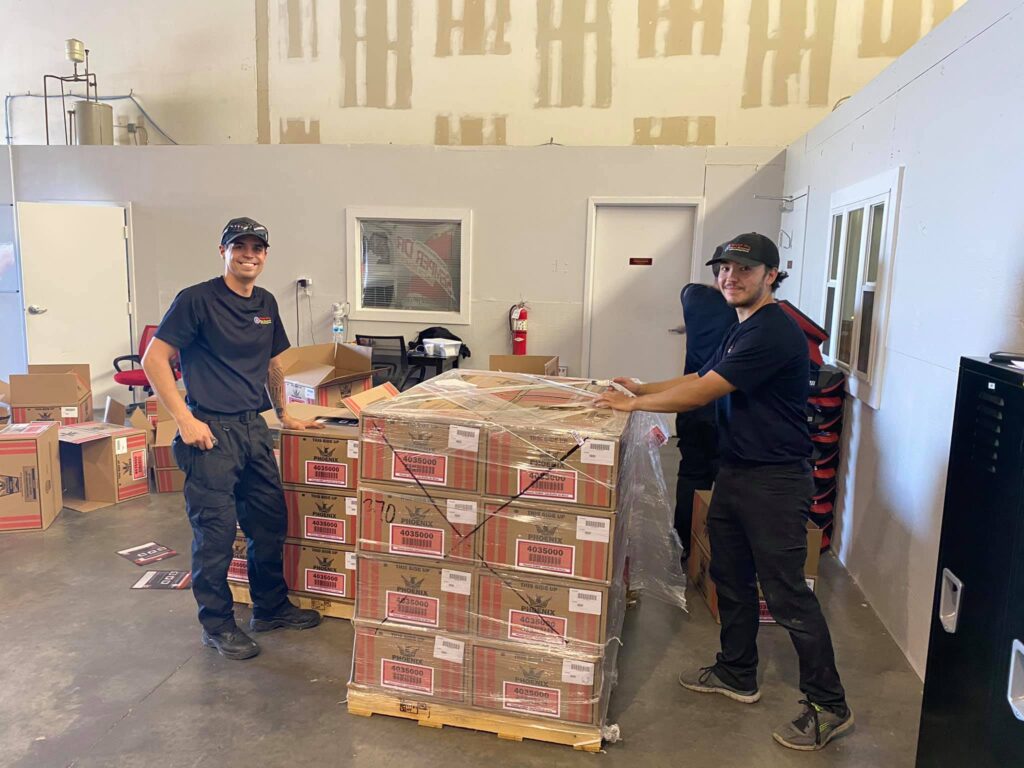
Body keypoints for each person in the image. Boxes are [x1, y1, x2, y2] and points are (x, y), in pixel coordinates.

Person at [595, 233, 852, 751]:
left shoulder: (772, 330)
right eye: (723, 270)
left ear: (771, 275)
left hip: (776, 480)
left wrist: (633, 408)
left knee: (786, 594)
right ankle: (738, 672)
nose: (729, 278)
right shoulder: (744, 326)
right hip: (737, 470)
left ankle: (829, 705)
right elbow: (702, 373)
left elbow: (706, 390)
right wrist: (643, 388)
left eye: (743, 270)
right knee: (730, 576)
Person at [142, 216, 325, 661]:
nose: (249, 254)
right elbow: (154, 359)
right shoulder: (196, 300)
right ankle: (218, 624)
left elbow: (274, 364)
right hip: (210, 434)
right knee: (217, 534)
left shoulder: (264, 302)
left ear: (265, 255)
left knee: (269, 524)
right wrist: (185, 419)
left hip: (252, 428)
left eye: (257, 248)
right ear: (222, 251)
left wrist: (285, 414)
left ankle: (270, 607)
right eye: (239, 246)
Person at [671, 248, 737, 560]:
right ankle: (713, 548)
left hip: (693, 405)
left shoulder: (693, 298)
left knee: (691, 474)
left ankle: (684, 544)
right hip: (727, 407)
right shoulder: (745, 313)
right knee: (723, 478)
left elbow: (693, 289)